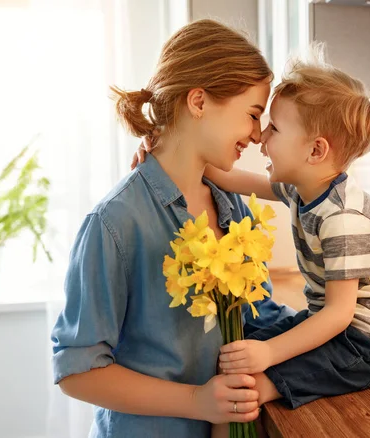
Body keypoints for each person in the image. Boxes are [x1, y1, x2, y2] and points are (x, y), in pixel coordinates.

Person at [51, 19, 294, 437]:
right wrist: (197, 402)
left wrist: (335, 329)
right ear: (198, 101)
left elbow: (256, 319)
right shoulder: (114, 223)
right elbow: (77, 372)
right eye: (253, 115)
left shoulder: (233, 209)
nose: (257, 135)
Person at [204, 52, 370, 410]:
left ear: (316, 150)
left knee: (249, 385)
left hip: (366, 344)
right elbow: (230, 177)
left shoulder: (345, 219)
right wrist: (173, 152)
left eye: (275, 128)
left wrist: (269, 352)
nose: (261, 137)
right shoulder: (303, 189)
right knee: (232, 358)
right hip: (332, 327)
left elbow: (338, 314)